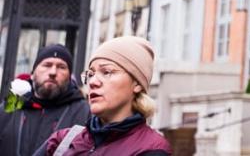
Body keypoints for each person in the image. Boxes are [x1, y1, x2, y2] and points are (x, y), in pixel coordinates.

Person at [35, 36, 172, 155]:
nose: (93, 82)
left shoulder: (151, 149)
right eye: (91, 74)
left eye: (107, 72)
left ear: (137, 84)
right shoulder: (63, 140)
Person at [0, 44, 89, 156]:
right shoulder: (11, 105)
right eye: (47, 65)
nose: (53, 72)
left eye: (61, 67)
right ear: (32, 74)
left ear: (69, 77)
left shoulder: (83, 112)